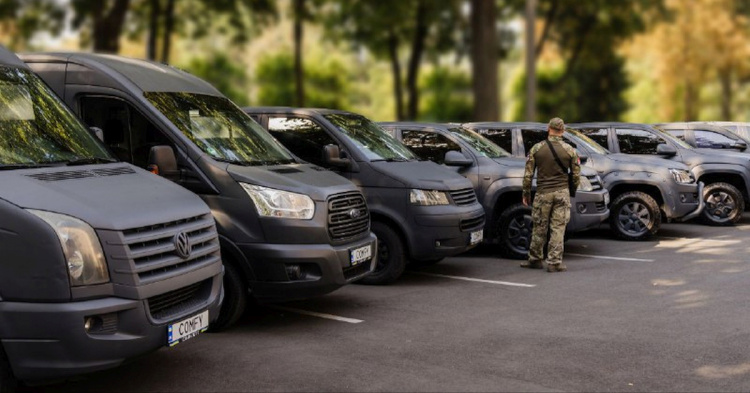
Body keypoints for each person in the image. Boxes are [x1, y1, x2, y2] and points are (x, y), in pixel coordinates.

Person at [521, 117, 580, 272]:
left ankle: (535, 259)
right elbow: (575, 176)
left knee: (539, 227)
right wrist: (571, 191)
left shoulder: (536, 149)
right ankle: (554, 262)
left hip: (542, 193)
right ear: (563, 131)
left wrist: (526, 193)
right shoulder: (570, 150)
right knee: (558, 228)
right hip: (562, 193)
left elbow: (527, 175)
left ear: (548, 128)